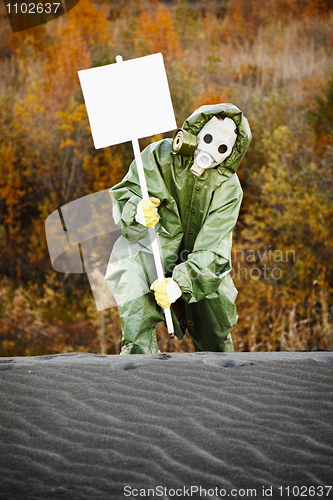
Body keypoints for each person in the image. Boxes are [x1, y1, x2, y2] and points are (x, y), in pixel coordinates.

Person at [104, 103, 252, 354]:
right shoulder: (158, 157)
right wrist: (136, 210)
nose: (211, 152)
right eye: (207, 138)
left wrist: (179, 284)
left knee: (215, 325)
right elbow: (127, 192)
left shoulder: (228, 188)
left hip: (200, 266)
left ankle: (221, 382)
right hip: (151, 251)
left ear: (232, 154)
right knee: (132, 289)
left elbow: (213, 248)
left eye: (222, 149)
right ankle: (138, 374)